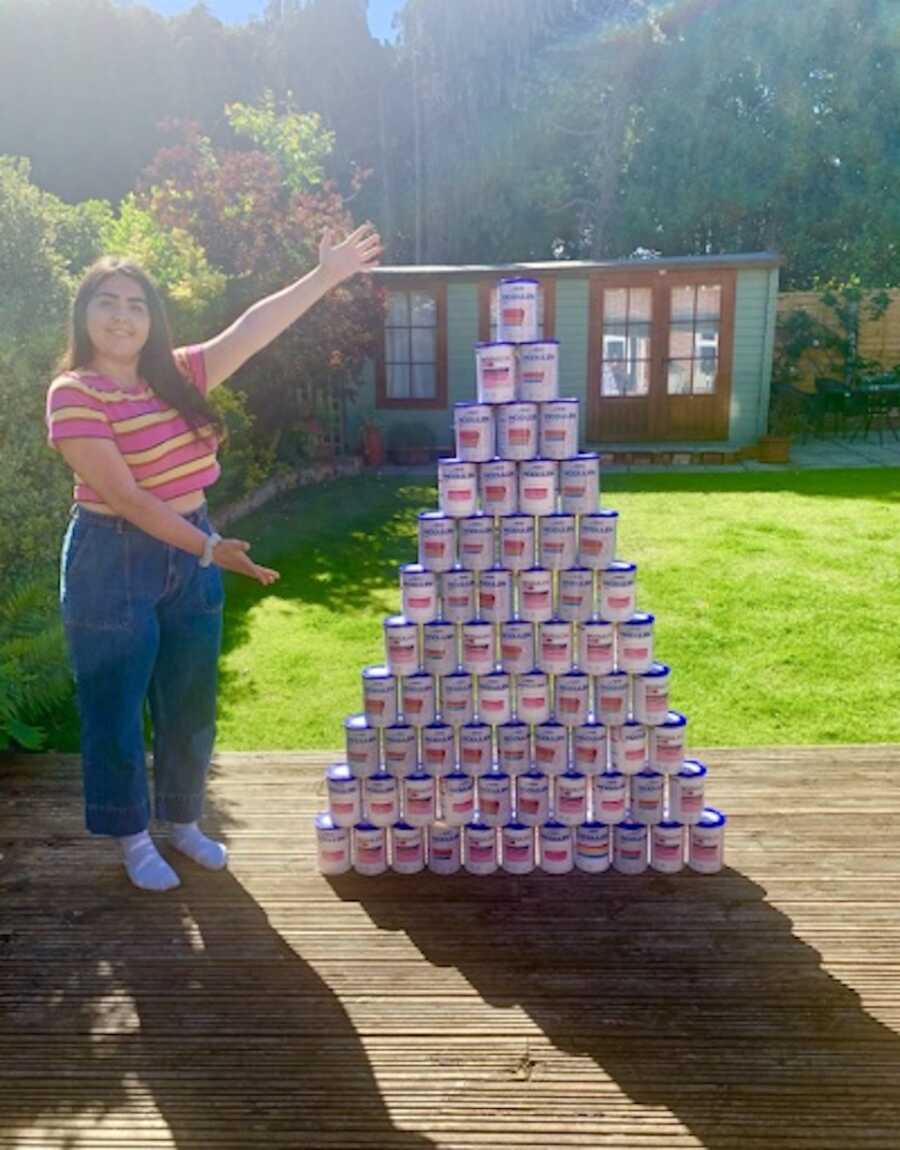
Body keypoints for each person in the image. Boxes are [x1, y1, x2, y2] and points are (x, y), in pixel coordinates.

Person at [45, 223, 382, 892]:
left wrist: (325, 276)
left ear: (153, 319)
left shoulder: (179, 375)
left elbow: (254, 330)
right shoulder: (74, 393)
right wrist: (207, 547)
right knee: (116, 706)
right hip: (113, 560)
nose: (122, 316)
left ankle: (182, 821)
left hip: (193, 546)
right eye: (107, 301)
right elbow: (129, 497)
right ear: (85, 314)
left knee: (191, 700)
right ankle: (133, 836)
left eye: (136, 304)